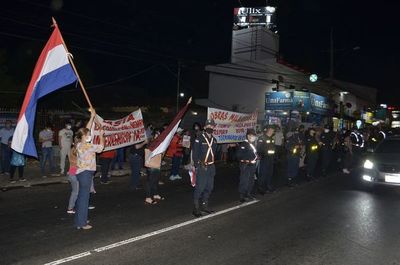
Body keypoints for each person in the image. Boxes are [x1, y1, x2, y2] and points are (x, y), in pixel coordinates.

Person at [74, 109, 104, 230]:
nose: (90, 136)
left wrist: (92, 117)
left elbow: (86, 129)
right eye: (88, 135)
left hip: (82, 173)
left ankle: (79, 221)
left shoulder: (79, 144)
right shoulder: (88, 145)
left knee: (82, 197)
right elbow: (101, 148)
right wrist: (101, 136)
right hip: (86, 174)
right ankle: (82, 223)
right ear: (84, 137)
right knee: (84, 199)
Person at [192, 119, 217, 217]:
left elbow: (214, 153)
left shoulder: (214, 140)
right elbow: (195, 153)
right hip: (202, 166)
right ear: (205, 127)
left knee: (209, 187)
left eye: (212, 126)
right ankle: (196, 208)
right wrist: (198, 164)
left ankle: (204, 206)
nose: (210, 127)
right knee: (200, 187)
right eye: (208, 126)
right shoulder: (199, 138)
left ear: (214, 127)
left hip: (211, 167)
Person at [237, 129, 259, 202]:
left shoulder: (253, 144)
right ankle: (242, 196)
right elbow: (238, 155)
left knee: (251, 180)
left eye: (253, 135)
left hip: (252, 165)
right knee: (244, 180)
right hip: (245, 165)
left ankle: (248, 193)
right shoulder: (243, 144)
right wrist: (246, 159)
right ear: (248, 136)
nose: (252, 137)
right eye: (251, 135)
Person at [144, 128, 165, 205]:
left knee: (155, 181)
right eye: (157, 134)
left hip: (156, 165)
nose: (159, 136)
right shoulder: (152, 143)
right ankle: (148, 197)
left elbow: (161, 156)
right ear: (154, 135)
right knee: (150, 182)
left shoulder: (158, 144)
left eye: (159, 134)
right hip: (152, 166)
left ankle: (155, 194)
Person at [257, 125, 276, 194]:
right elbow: (259, 148)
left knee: (270, 173)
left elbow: (273, 149)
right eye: (272, 130)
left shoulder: (272, 139)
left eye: (273, 131)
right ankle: (260, 188)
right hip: (265, 159)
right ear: (268, 130)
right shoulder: (262, 138)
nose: (273, 131)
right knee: (263, 173)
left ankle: (268, 186)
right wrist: (262, 155)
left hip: (271, 158)